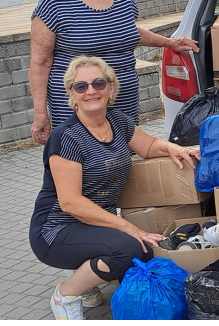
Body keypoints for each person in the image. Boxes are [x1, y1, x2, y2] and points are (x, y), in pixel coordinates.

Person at [29, 56, 200, 320]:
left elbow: (148, 147)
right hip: (56, 229)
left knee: (145, 248)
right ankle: (66, 294)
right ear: (72, 95)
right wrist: (130, 228)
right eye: (81, 86)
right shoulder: (66, 138)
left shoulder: (117, 121)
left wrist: (173, 148)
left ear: (111, 87)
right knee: (131, 249)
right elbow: (71, 203)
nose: (91, 91)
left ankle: (84, 273)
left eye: (98, 83)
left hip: (94, 224)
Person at [29, 0, 199, 144]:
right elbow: (40, 62)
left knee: (124, 161)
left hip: (122, 96)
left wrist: (169, 42)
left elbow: (124, 30)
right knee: (84, 166)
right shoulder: (53, 0)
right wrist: (41, 114)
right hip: (80, 102)